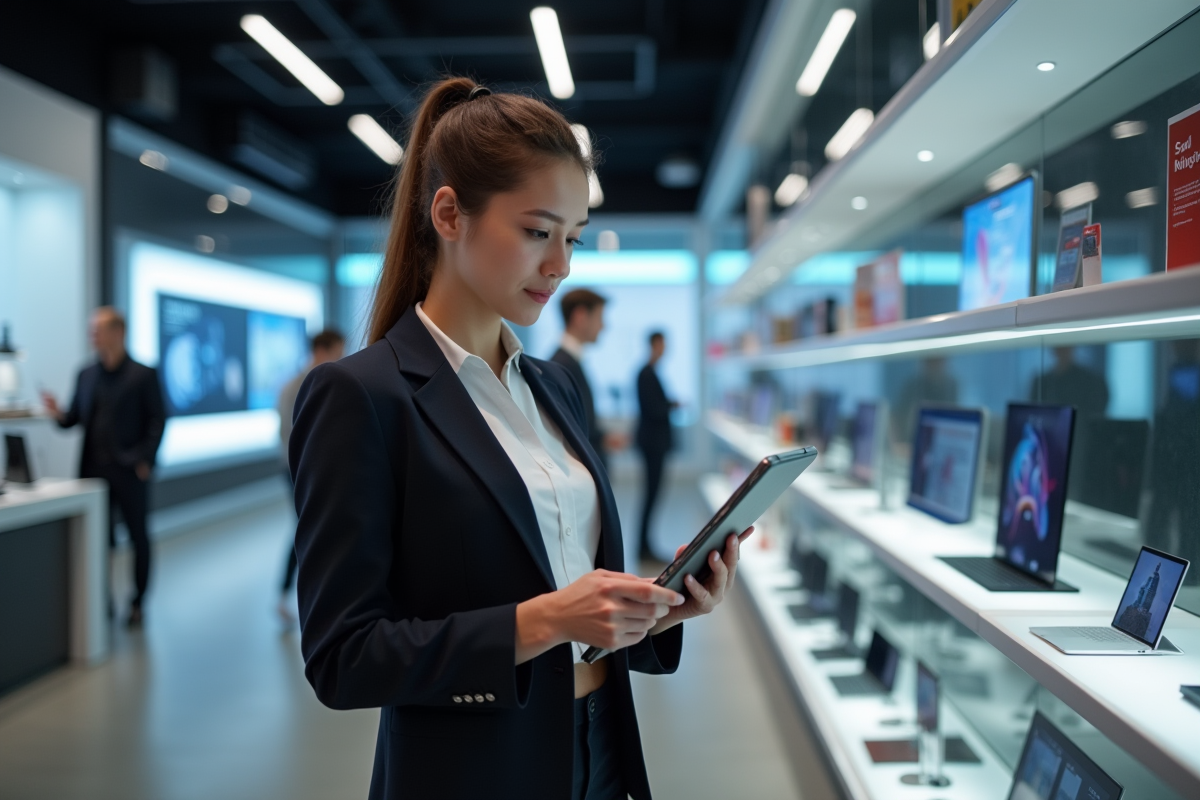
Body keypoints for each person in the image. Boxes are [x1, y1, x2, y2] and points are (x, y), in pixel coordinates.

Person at [289, 78, 749, 800]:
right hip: (474, 773)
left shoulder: (554, 387)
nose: (561, 265)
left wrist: (659, 612)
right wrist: (543, 620)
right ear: (449, 214)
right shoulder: (360, 396)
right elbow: (343, 659)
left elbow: (574, 592)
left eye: (573, 238)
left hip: (601, 748)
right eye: (539, 232)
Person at [41, 307, 165, 627]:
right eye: (91, 330)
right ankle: (102, 600)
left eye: (98, 329)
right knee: (98, 538)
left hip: (130, 470)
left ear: (118, 332)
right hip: (93, 471)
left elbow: (158, 420)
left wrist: (145, 459)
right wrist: (58, 413)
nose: (92, 335)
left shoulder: (143, 374)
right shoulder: (86, 374)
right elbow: (74, 419)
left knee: (138, 536)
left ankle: (138, 602)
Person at [276, 328, 344, 623]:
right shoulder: (296, 387)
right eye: (339, 351)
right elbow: (290, 438)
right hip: (301, 471)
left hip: (318, 470)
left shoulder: (329, 382)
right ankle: (288, 595)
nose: (342, 357)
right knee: (306, 529)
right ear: (323, 350)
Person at [551, 288, 610, 472]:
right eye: (599, 318)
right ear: (580, 316)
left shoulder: (570, 362)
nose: (603, 326)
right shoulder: (561, 366)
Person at [635, 331, 677, 564]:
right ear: (653, 345)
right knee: (651, 495)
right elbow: (653, 409)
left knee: (653, 496)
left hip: (654, 444)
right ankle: (644, 548)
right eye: (662, 344)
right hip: (652, 445)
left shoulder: (650, 373)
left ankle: (645, 545)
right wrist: (670, 405)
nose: (664, 349)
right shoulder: (646, 374)